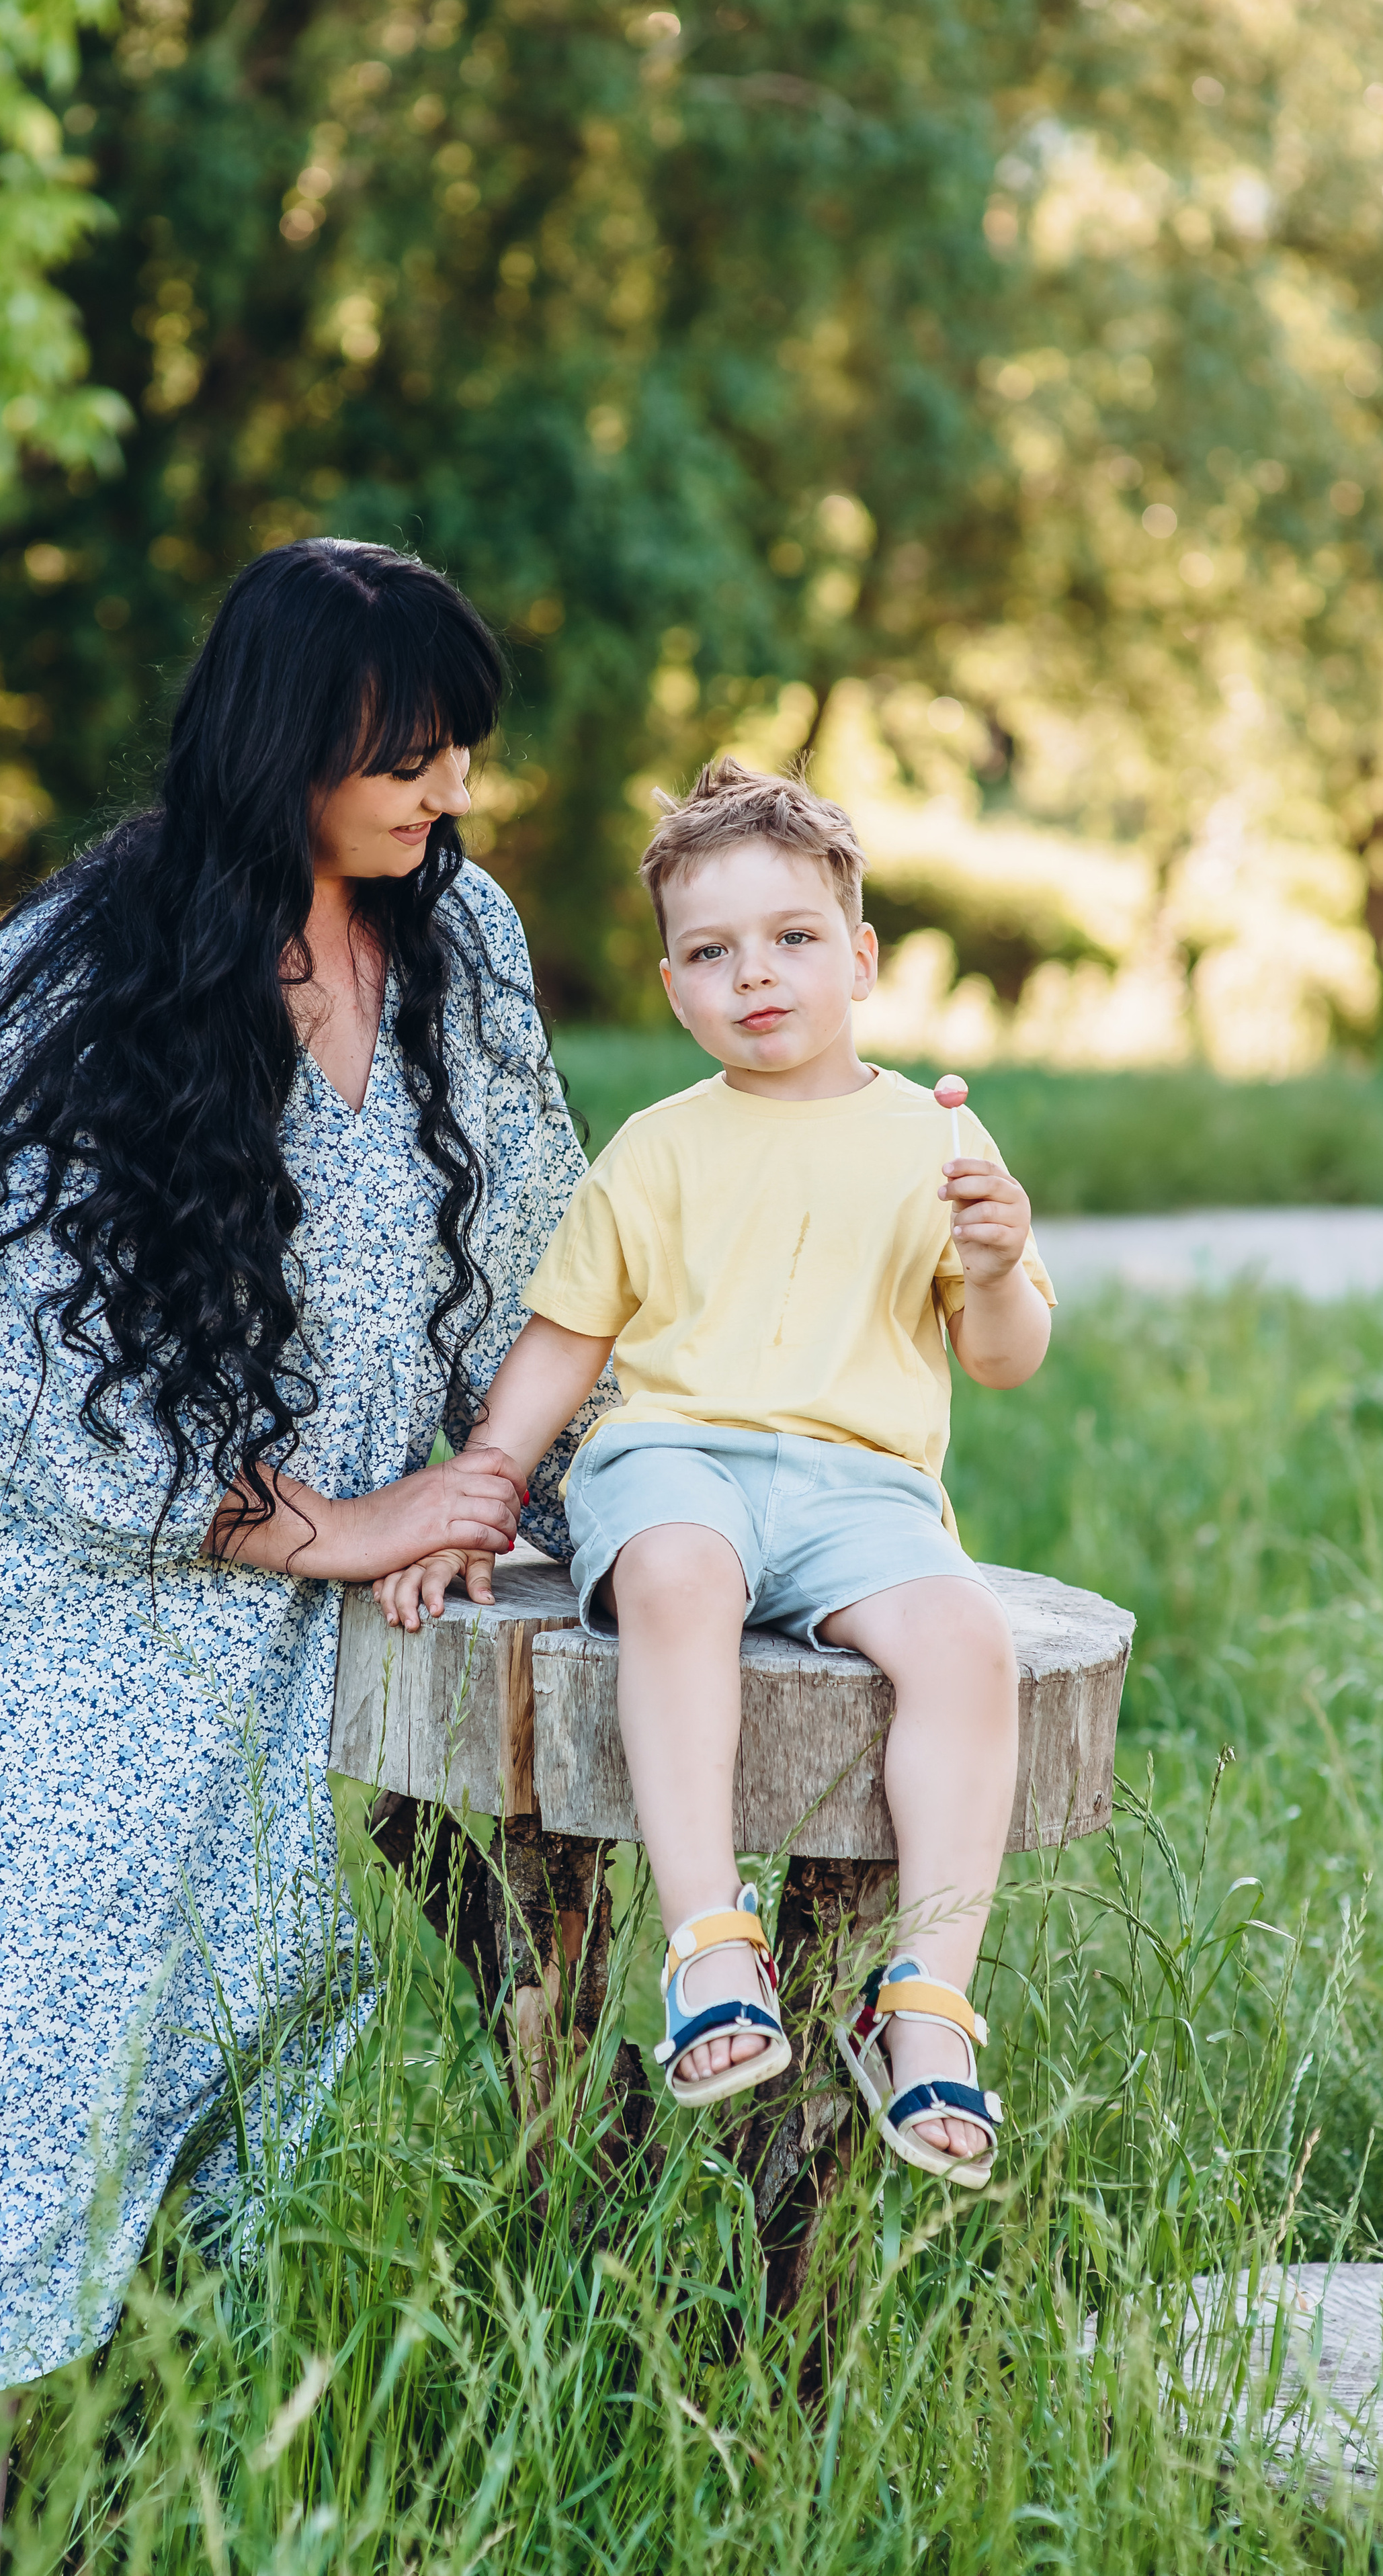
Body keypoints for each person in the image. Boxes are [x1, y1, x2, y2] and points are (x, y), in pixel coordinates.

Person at [0, 540, 605, 2575]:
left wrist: (565, 1482)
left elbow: (551, 1249)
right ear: (279, 736)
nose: (445, 787)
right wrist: (343, 1522)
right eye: (401, 747)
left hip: (252, 1638)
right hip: (15, 1608)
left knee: (205, 2058)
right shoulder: (87, 960)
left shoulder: (462, 933)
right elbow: (35, 1375)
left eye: (461, 744)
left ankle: (145, 2493)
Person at [376, 757, 1055, 2184]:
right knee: (677, 1573)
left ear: (858, 957)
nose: (756, 977)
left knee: (964, 1642)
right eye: (710, 953)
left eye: (793, 940)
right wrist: (487, 1476)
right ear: (675, 987)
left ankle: (922, 2001)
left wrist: (992, 1265)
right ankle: (710, 1941)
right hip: (671, 1458)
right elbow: (567, 1343)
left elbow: (1002, 1355)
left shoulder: (935, 1140)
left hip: (857, 1491)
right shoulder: (656, 1148)